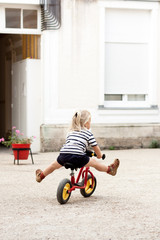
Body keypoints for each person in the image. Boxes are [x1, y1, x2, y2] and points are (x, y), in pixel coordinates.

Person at [36, 110, 120, 183]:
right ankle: (110, 170)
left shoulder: (71, 132)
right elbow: (95, 147)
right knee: (95, 163)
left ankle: (41, 176)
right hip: (78, 157)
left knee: (53, 166)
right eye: (90, 121)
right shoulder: (88, 133)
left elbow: (72, 145)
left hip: (63, 155)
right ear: (86, 123)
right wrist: (99, 155)